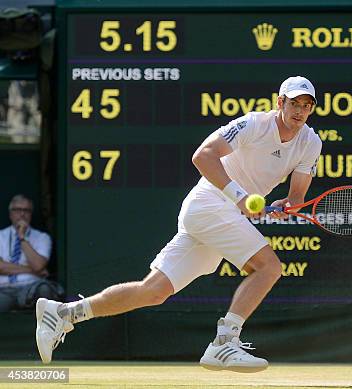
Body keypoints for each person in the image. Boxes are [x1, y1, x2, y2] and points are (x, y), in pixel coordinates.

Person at [35, 76, 322, 371]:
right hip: (209, 205)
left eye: (306, 105)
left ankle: (63, 313)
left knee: (153, 292)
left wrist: (286, 205)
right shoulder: (254, 124)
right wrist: (239, 197)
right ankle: (224, 343)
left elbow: (295, 196)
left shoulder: (310, 143)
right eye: (294, 103)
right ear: (280, 102)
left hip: (222, 216)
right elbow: (203, 156)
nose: (299, 111)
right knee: (269, 267)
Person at [0, 194, 53, 311]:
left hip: (30, 287)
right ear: (10, 213)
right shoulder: (0, 236)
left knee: (45, 290)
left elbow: (38, 265)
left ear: (31, 214)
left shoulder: (42, 237)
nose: (22, 214)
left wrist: (22, 237)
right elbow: (0, 267)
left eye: (26, 210)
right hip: (3, 289)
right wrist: (31, 270)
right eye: (18, 210)